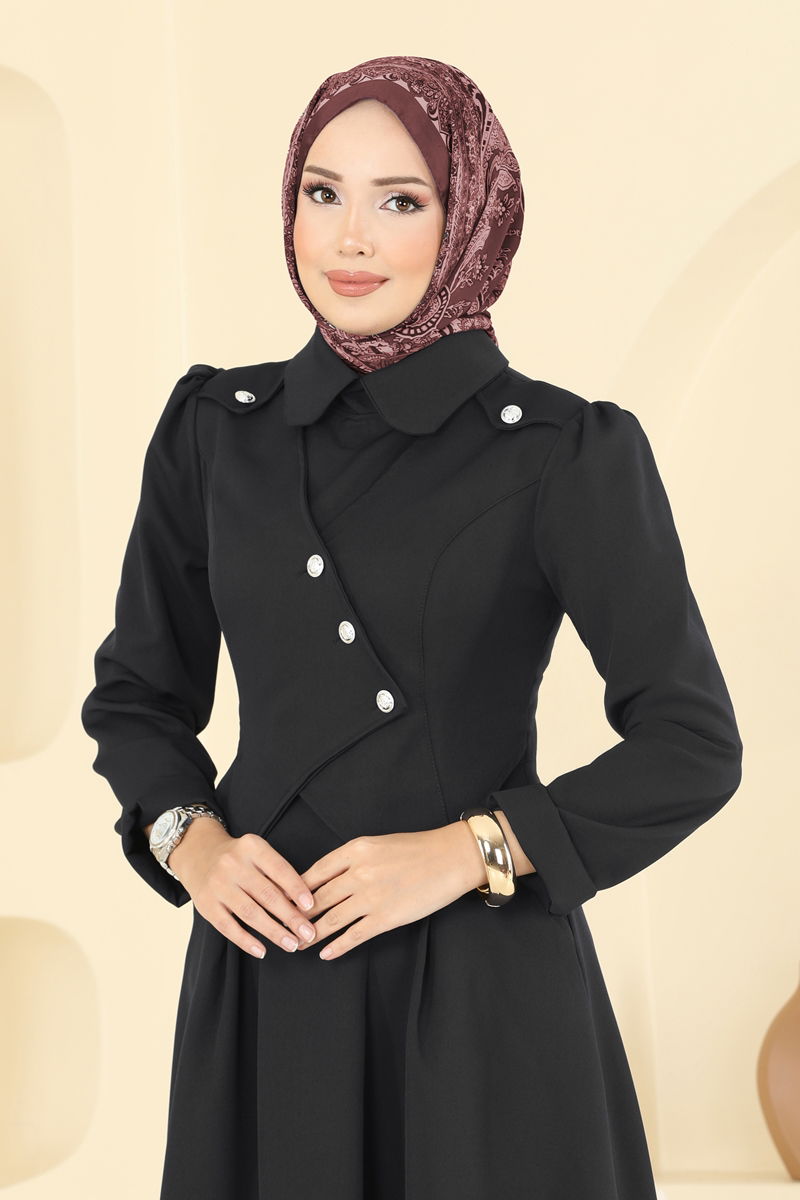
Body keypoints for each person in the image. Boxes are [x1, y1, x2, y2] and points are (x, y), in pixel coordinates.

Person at [80, 54, 743, 1200]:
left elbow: (691, 745)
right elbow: (137, 698)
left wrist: (467, 852)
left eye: (399, 200)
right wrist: (192, 841)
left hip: (478, 997)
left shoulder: (561, 452)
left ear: (468, 215)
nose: (348, 238)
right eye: (321, 192)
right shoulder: (214, 431)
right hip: (266, 983)